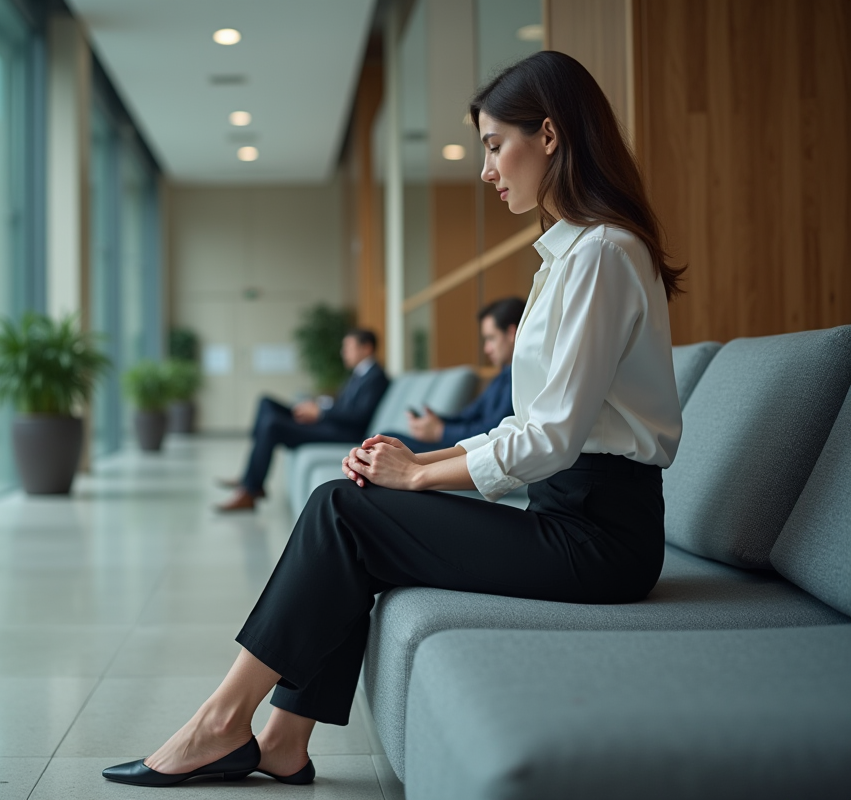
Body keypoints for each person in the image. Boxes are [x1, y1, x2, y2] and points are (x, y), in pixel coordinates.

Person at [102, 50, 685, 788]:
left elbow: (550, 437)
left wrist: (419, 473)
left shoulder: (602, 254)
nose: (486, 170)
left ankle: (224, 723)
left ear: (548, 135)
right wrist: (414, 469)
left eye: (493, 145)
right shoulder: (570, 258)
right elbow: (534, 427)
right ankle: (280, 738)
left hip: (601, 538)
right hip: (572, 512)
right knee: (354, 507)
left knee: (343, 511)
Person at [216, 328, 389, 512]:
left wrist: (321, 413)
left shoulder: (376, 377)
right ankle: (249, 477)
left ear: (366, 348)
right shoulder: (360, 373)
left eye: (348, 347)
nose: (343, 352)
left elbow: (359, 417)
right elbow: (343, 404)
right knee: (266, 403)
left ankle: (250, 490)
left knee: (272, 425)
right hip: (331, 422)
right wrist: (318, 405)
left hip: (343, 432)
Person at [389, 297, 524, 453]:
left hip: (467, 451)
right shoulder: (501, 376)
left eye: (491, 338)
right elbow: (468, 415)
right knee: (385, 439)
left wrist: (440, 432)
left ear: (511, 333)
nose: (487, 349)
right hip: (459, 444)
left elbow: (497, 431)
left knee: (385, 441)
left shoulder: (520, 379)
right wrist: (437, 421)